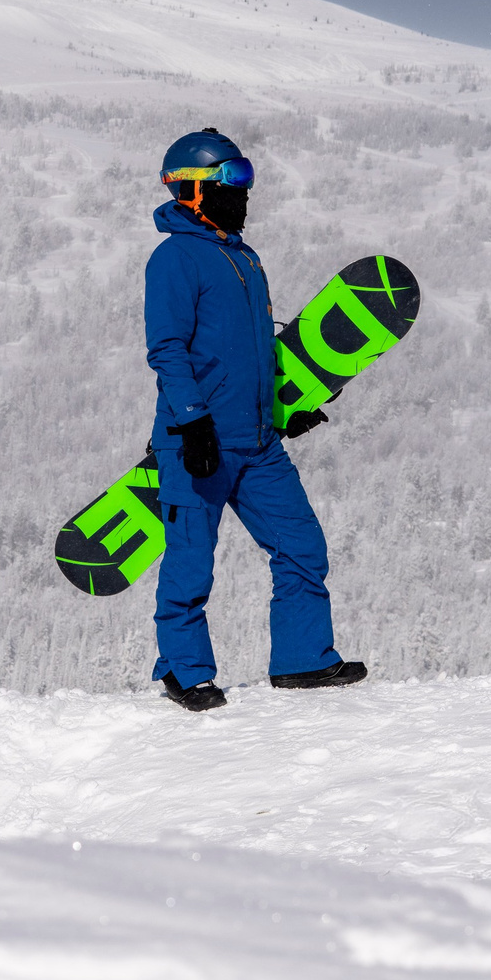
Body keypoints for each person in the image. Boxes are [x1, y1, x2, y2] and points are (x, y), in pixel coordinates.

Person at [144, 128, 366, 711]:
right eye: (231, 179)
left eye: (246, 176)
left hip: (259, 444)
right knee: (191, 560)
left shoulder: (243, 257)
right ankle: (183, 670)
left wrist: (284, 411)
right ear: (191, 189)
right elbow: (167, 348)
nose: (243, 191)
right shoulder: (174, 259)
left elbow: (253, 351)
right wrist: (192, 423)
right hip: (198, 440)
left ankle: (301, 660)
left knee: (301, 546)